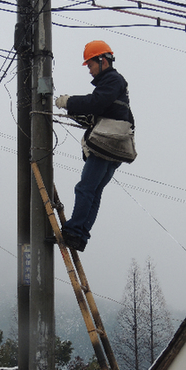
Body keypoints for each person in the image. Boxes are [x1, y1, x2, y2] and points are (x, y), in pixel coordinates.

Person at [55, 40, 133, 252]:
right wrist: (76, 112)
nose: (89, 71)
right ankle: (80, 235)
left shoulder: (112, 80)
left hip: (105, 146)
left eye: (90, 65)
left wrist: (68, 102)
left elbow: (95, 102)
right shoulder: (117, 85)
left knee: (86, 188)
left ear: (103, 60)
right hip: (116, 147)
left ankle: (74, 231)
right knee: (94, 191)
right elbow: (109, 112)